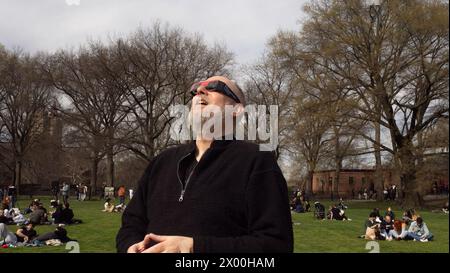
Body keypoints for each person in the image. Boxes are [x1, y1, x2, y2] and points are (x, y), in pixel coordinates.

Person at [116, 76, 293, 253]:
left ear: (237, 110)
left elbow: (275, 245)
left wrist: (193, 247)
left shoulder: (257, 161)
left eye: (215, 87)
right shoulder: (161, 162)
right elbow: (131, 225)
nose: (200, 90)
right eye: (196, 88)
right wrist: (131, 247)